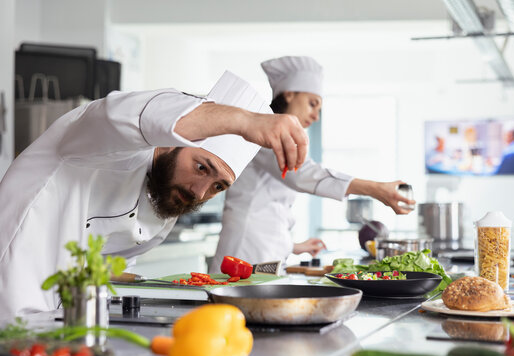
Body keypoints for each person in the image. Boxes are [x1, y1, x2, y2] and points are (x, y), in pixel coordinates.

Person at [0, 71, 309, 319]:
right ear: (171, 137)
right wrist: (244, 121)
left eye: (218, 186)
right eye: (202, 167)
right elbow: (122, 113)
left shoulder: (164, 202)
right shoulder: (100, 141)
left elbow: (110, 269)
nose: (199, 192)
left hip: (56, 322)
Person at [210, 56, 414, 272]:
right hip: (246, 250)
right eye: (312, 104)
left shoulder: (279, 134)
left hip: (264, 249)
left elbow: (269, 208)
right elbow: (302, 175)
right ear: (289, 94)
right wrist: (375, 189)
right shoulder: (266, 130)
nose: (316, 116)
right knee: (234, 304)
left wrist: (295, 246)